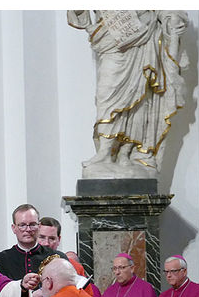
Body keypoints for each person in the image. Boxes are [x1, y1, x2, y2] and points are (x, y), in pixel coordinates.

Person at [67, 10, 189, 178]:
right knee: (106, 95)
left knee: (139, 100)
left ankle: (125, 153)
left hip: (143, 33)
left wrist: (171, 20)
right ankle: (104, 152)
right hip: (112, 35)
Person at [37, 216, 99, 297]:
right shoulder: (26, 262)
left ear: (59, 239)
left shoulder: (73, 266)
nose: (46, 243)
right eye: (42, 237)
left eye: (52, 238)